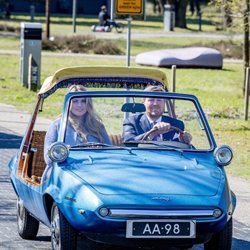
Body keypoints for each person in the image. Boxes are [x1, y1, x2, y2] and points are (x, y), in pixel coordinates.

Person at [42, 85, 110, 182]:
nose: (79, 105)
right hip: (63, 173)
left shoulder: (98, 126)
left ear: (88, 103)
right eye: (75, 101)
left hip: (94, 173)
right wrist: (63, 151)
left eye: (83, 101)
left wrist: (98, 151)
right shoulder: (57, 125)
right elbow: (48, 159)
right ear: (68, 103)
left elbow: (110, 153)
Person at [123, 85, 192, 144]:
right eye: (151, 100)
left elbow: (181, 151)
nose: (155, 104)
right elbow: (128, 143)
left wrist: (184, 141)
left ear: (164, 102)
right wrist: (153, 133)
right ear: (144, 102)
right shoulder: (132, 121)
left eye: (159, 100)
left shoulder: (177, 124)